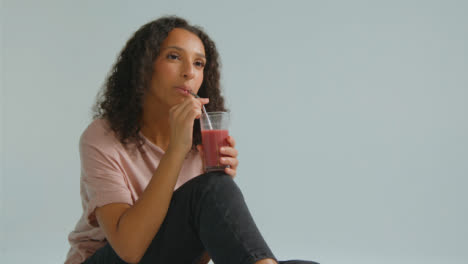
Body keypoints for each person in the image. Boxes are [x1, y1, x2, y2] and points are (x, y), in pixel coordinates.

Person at [65, 16, 319, 264]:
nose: (189, 73)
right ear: (143, 66)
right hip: (110, 257)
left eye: (199, 64)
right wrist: (179, 152)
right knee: (211, 188)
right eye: (174, 57)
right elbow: (129, 249)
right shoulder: (103, 137)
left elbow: (199, 252)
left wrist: (219, 199)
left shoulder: (202, 142)